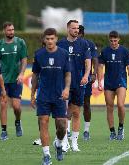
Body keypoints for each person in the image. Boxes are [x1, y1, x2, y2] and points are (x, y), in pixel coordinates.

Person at [31, 28, 71, 165]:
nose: (49, 41)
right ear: (44, 40)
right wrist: (32, 94)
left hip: (59, 95)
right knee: (43, 123)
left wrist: (66, 89)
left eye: (52, 38)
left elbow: (67, 74)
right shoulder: (39, 54)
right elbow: (35, 75)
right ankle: (46, 155)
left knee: (62, 126)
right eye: (47, 39)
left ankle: (59, 144)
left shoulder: (64, 54)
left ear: (56, 39)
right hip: (43, 96)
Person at [57, 20, 91, 152]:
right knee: (64, 113)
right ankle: (64, 141)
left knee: (76, 112)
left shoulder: (84, 43)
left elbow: (88, 62)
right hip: (64, 84)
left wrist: (86, 76)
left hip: (78, 83)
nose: (76, 30)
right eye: (74, 28)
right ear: (68, 29)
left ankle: (74, 143)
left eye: (77, 28)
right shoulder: (60, 44)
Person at [98, 30, 129, 140]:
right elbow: (100, 67)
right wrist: (100, 81)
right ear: (109, 40)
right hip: (109, 83)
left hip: (121, 82)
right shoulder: (105, 51)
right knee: (109, 107)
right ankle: (112, 132)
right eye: (111, 41)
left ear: (118, 39)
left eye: (115, 40)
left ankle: (121, 128)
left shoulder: (124, 51)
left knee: (120, 105)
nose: (113, 43)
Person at [0, 21, 28, 140]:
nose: (11, 32)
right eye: (9, 30)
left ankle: (18, 122)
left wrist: (22, 73)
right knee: (3, 104)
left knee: (16, 106)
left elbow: (24, 59)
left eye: (13, 30)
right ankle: (4, 131)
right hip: (3, 80)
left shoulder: (20, 42)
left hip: (16, 79)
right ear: (4, 31)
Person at [67, 25, 99, 141]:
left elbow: (95, 59)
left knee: (86, 103)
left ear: (82, 34)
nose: (76, 34)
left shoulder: (88, 44)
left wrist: (94, 73)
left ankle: (86, 130)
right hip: (70, 79)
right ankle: (68, 130)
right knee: (69, 104)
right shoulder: (67, 43)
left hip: (84, 78)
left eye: (78, 32)